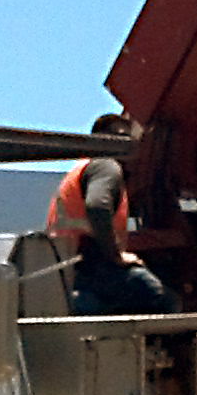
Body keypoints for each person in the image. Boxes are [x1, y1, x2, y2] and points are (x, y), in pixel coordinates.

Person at [46, 119, 174, 317]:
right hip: (93, 266)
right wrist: (116, 255)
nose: (122, 142)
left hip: (67, 270)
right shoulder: (106, 166)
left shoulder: (80, 169)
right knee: (163, 299)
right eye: (118, 137)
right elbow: (97, 206)